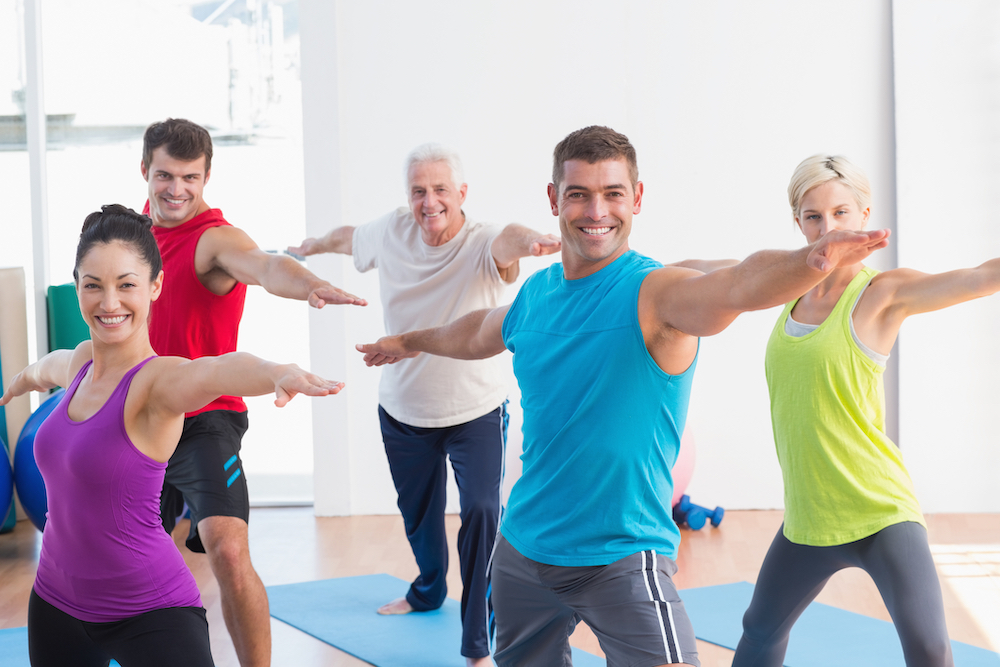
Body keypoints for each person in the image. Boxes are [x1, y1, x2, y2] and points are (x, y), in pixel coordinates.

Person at [356, 126, 890, 667]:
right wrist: (408, 341)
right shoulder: (538, 293)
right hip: (520, 556)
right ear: (553, 199)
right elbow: (476, 332)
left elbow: (738, 283)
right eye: (579, 194)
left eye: (613, 193)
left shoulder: (657, 293)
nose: (597, 211)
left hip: (622, 560)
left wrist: (813, 260)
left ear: (636, 198)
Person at [0, 205, 343, 666]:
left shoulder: (157, 382)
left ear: (155, 286)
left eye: (126, 285)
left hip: (150, 612)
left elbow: (217, 370)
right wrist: (21, 379)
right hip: (55, 603)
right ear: (77, 284)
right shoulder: (81, 363)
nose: (109, 303)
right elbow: (49, 365)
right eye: (93, 285)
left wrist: (276, 372)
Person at [288, 143, 560, 666]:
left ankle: (478, 640)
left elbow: (510, 240)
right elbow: (350, 238)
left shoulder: (483, 243)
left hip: (476, 409)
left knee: (482, 511)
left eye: (440, 190)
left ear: (461, 194)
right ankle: (429, 588)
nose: (429, 201)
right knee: (420, 518)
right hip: (404, 409)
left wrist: (534, 241)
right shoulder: (391, 231)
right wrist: (315, 244)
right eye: (419, 191)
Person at [731, 154, 1000, 666]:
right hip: (809, 517)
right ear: (798, 223)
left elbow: (977, 277)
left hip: (879, 510)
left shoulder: (882, 294)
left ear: (865, 217)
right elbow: (716, 273)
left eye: (841, 213)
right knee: (760, 631)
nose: (828, 227)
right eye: (813, 216)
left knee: (929, 648)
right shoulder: (786, 289)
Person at [139, 118, 366, 667]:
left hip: (204, 419)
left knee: (228, 548)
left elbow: (264, 266)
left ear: (207, 176)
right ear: (144, 171)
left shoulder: (212, 240)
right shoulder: (129, 237)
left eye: (190, 178)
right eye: (165, 175)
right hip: (138, 417)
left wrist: (307, 284)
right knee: (124, 559)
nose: (177, 190)